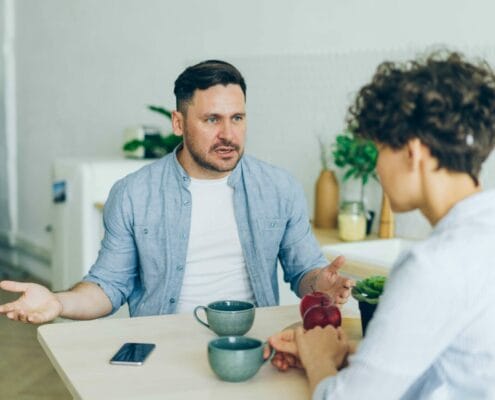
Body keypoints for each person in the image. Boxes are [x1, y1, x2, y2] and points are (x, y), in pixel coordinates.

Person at [0, 60, 352, 324]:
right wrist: (59, 302)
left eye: (237, 118)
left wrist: (320, 282)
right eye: (212, 120)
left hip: (251, 345)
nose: (228, 134)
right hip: (162, 344)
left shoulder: (278, 187)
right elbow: (108, 286)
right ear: (179, 123)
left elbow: (303, 272)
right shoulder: (134, 194)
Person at [267, 51, 495, 399]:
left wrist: (318, 358)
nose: (376, 168)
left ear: (412, 152)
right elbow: (454, 362)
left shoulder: (434, 265)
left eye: (378, 149)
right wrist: (351, 359)